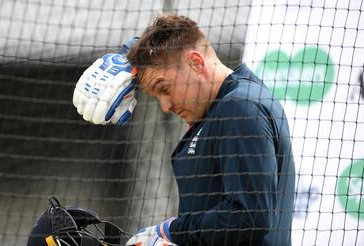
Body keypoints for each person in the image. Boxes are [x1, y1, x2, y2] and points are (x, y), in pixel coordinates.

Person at [73, 14, 296, 246]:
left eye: (164, 88)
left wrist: (170, 231)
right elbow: (172, 36)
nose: (165, 106)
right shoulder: (227, 104)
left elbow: (248, 218)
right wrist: (125, 56)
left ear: (196, 63)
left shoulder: (239, 106)